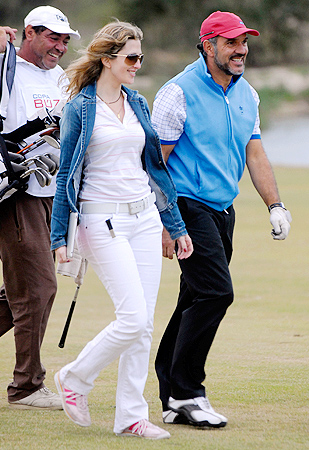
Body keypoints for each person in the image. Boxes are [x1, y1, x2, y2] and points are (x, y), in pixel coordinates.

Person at [49, 21, 193, 439]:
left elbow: (156, 168)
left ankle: (131, 415)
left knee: (144, 322)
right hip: (100, 217)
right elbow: (65, 176)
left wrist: (175, 225)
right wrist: (59, 236)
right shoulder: (80, 107)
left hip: (145, 218)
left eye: (140, 58)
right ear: (107, 59)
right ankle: (75, 377)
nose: (137, 64)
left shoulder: (138, 103)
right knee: (131, 318)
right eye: (130, 57)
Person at [151, 11, 292, 429]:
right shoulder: (177, 92)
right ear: (207, 45)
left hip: (222, 211)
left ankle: (170, 394)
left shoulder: (247, 94)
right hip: (187, 206)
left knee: (193, 298)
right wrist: (166, 221)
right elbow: (157, 163)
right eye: (231, 42)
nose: (241, 49)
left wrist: (275, 204)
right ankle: (187, 391)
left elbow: (255, 152)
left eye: (244, 41)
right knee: (216, 293)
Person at [0, 5, 80, 410]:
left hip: (52, 193)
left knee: (18, 294)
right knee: (40, 288)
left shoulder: (60, 76)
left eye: (65, 39)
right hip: (15, 194)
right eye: (53, 37)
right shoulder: (5, 66)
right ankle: (26, 387)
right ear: (28, 32)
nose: (60, 46)